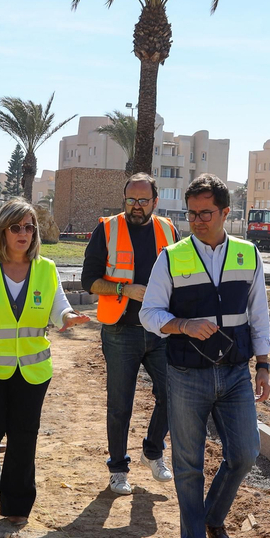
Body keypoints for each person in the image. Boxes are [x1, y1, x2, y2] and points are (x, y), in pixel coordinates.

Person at [140, 174, 270, 538]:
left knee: (246, 453)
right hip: (185, 376)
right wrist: (182, 325)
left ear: (225, 213)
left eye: (206, 213)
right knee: (187, 464)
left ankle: (214, 517)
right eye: (192, 213)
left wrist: (264, 364)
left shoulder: (248, 255)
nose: (197, 220)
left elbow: (259, 313)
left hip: (235, 374)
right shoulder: (172, 257)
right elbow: (150, 314)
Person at [0, 200, 92, 522]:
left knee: (24, 436)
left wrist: (68, 317)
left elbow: (59, 306)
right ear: (2, 230)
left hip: (32, 371)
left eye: (29, 227)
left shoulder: (47, 268)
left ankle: (16, 506)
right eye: (16, 227)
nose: (23, 233)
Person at [81, 172, 178, 495]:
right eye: (131, 200)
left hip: (161, 331)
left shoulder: (168, 230)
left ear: (155, 201)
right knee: (120, 405)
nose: (136, 207)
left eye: (143, 201)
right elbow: (89, 281)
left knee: (173, 395)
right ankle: (118, 469)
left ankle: (152, 451)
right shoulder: (107, 229)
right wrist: (125, 288)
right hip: (121, 331)